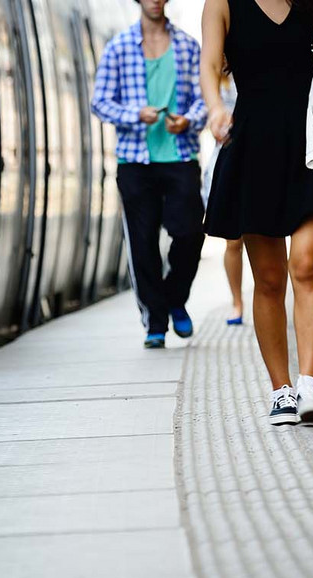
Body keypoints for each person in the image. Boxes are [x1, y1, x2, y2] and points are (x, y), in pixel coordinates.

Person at [201, 0, 313, 425]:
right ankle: (281, 391)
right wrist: (214, 109)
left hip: (311, 146)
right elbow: (210, 66)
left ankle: (308, 385)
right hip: (253, 148)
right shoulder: (222, 4)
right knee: (267, 279)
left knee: (306, 266)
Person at [91, 0, 208, 349]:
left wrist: (189, 120)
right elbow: (99, 101)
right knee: (141, 244)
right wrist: (132, 114)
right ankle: (155, 321)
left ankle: (174, 298)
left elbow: (205, 98)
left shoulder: (188, 45)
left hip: (180, 155)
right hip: (134, 161)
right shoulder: (119, 46)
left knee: (190, 233)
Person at [201, 67, 245, 326]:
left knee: (270, 238)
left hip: (257, 154)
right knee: (233, 241)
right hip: (226, 159)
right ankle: (237, 301)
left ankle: (273, 298)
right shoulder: (211, 76)